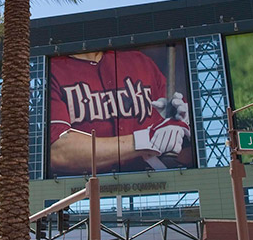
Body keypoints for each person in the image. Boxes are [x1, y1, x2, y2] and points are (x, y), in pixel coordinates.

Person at [48, 49, 193, 175]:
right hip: (84, 191)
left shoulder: (139, 61)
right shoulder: (53, 69)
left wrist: (183, 125)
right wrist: (145, 140)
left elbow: (186, 153)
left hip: (152, 183)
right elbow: (58, 152)